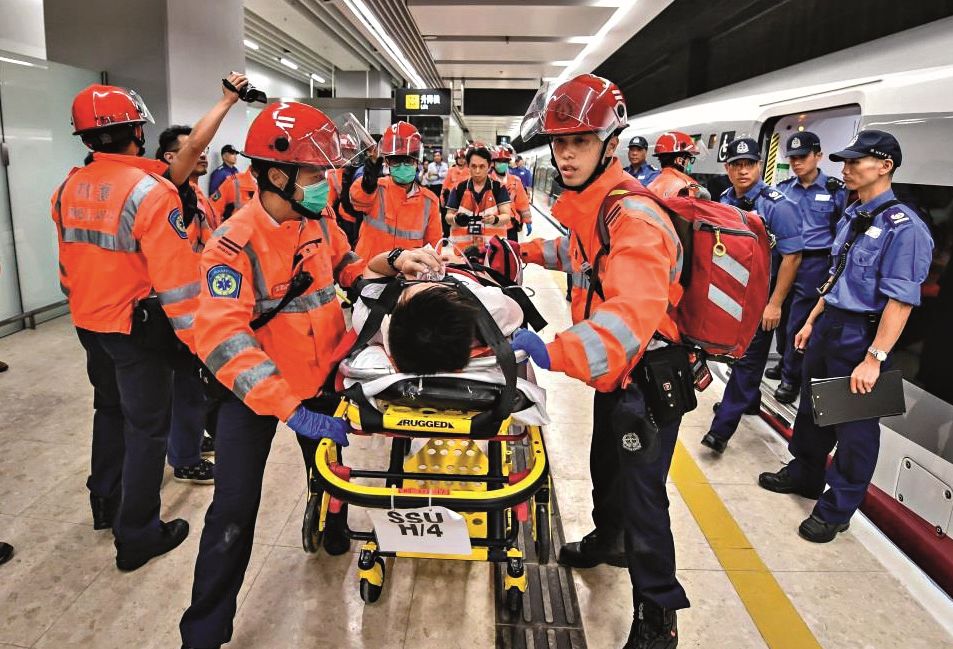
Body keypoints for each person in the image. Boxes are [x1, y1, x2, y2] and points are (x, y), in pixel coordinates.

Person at [179, 101, 442, 649]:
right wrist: (289, 409)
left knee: (330, 472)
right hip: (255, 398)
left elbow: (347, 269)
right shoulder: (232, 244)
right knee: (233, 511)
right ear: (277, 175)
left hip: (320, 380)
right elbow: (224, 339)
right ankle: (203, 631)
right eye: (315, 174)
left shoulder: (317, 222)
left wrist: (396, 260)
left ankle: (331, 523)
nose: (326, 184)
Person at [496, 73, 688, 648]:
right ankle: (609, 542)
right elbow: (579, 256)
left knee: (645, 494)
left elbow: (628, 319)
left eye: (579, 141)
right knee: (606, 464)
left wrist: (552, 350)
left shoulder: (634, 216)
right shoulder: (597, 206)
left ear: (610, 141)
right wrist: (519, 249)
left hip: (647, 375)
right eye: (558, 142)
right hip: (618, 380)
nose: (565, 153)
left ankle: (658, 613)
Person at [759, 130, 933, 543]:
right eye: (845, 161)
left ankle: (838, 508)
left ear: (885, 166)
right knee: (813, 408)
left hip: (863, 335)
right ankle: (804, 474)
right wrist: (811, 319)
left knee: (855, 428)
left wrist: (874, 358)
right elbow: (836, 277)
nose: (846, 168)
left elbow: (901, 302)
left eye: (856, 161)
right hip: (830, 323)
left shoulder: (905, 228)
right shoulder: (856, 214)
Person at [54, 83, 201, 570]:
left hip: (88, 322)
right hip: (135, 329)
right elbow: (177, 283)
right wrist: (196, 339)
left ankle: (105, 502)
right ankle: (136, 534)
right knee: (148, 428)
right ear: (137, 130)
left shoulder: (68, 186)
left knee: (109, 410)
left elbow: (67, 265)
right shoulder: (151, 192)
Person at [700, 138, 803, 454]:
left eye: (750, 164)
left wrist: (775, 303)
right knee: (735, 355)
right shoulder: (725, 199)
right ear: (727, 169)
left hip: (761, 298)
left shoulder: (778, 205)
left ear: (759, 166)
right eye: (736, 165)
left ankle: (720, 432)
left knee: (748, 360)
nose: (743, 171)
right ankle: (748, 401)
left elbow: (793, 256)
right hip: (730, 293)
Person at [771, 131, 849, 403]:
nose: (796, 163)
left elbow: (843, 228)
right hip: (784, 259)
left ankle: (791, 378)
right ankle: (784, 361)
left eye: (802, 157)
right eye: (792, 158)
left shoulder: (835, 191)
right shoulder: (782, 191)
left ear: (818, 156)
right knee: (779, 314)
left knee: (799, 321)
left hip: (814, 262)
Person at [349, 121, 442, 261]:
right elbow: (358, 199)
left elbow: (434, 245)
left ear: (417, 162)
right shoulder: (376, 188)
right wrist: (369, 179)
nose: (402, 166)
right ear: (387, 163)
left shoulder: (430, 201)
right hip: (368, 271)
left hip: (407, 275)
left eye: (408, 161)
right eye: (396, 161)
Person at [445, 146, 512, 252]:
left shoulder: (499, 188)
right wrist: (455, 219)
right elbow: (448, 216)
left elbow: (506, 216)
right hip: (463, 251)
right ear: (468, 166)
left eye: (482, 166)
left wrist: (495, 219)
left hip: (492, 251)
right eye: (473, 166)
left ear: (489, 166)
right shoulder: (459, 188)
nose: (477, 171)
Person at [326, 132, 367, 247]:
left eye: (349, 151)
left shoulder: (360, 171)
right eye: (343, 151)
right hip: (344, 220)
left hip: (361, 219)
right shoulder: (333, 174)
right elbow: (329, 204)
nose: (346, 155)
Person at [647, 131, 708, 199]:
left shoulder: (650, 186)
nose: (689, 163)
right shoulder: (688, 188)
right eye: (689, 159)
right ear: (680, 161)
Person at [490, 144, 533, 238]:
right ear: (493, 163)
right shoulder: (487, 181)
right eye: (499, 161)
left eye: (505, 161)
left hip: (511, 225)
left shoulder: (515, 181)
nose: (503, 164)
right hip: (492, 226)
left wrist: (527, 220)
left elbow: (523, 203)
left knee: (512, 251)